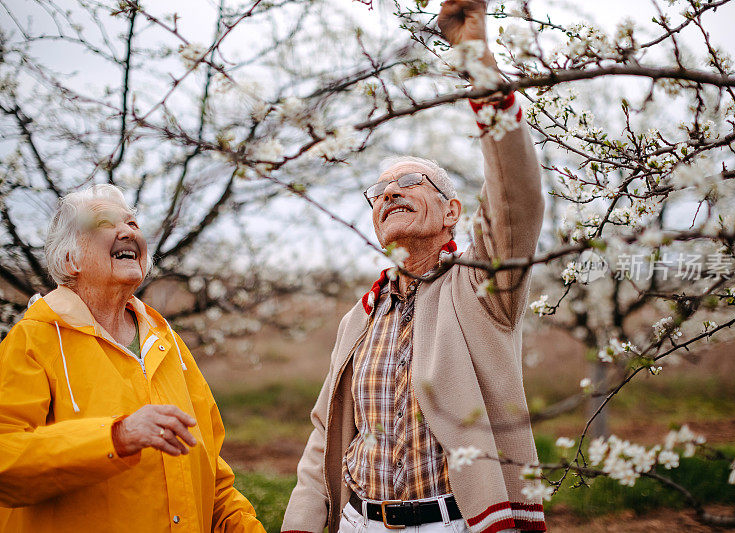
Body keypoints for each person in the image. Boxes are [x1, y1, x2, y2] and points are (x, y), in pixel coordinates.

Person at [281, 0, 546, 531]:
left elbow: (517, 198)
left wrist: (477, 62)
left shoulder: (480, 288)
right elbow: (325, 436)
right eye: (379, 190)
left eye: (409, 183)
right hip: (361, 522)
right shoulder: (362, 316)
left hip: (451, 522)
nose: (390, 193)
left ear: (452, 212)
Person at [0, 184, 266, 533]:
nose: (127, 231)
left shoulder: (166, 341)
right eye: (105, 223)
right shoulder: (35, 339)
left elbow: (210, 473)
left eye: (133, 223)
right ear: (71, 258)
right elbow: (6, 464)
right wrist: (118, 437)